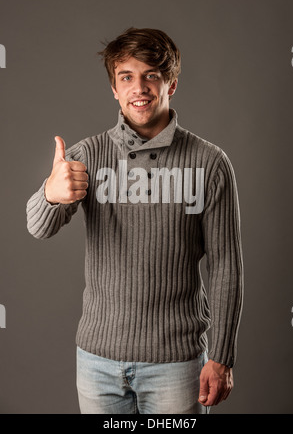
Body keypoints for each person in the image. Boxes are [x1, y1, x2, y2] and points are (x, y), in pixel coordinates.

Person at [26, 27, 244, 415]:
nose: (138, 88)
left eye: (151, 76)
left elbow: (226, 265)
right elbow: (39, 228)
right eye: (126, 77)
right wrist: (50, 193)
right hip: (97, 362)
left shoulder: (210, 163)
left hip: (177, 363)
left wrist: (223, 355)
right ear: (114, 87)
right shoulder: (88, 155)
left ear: (171, 84)